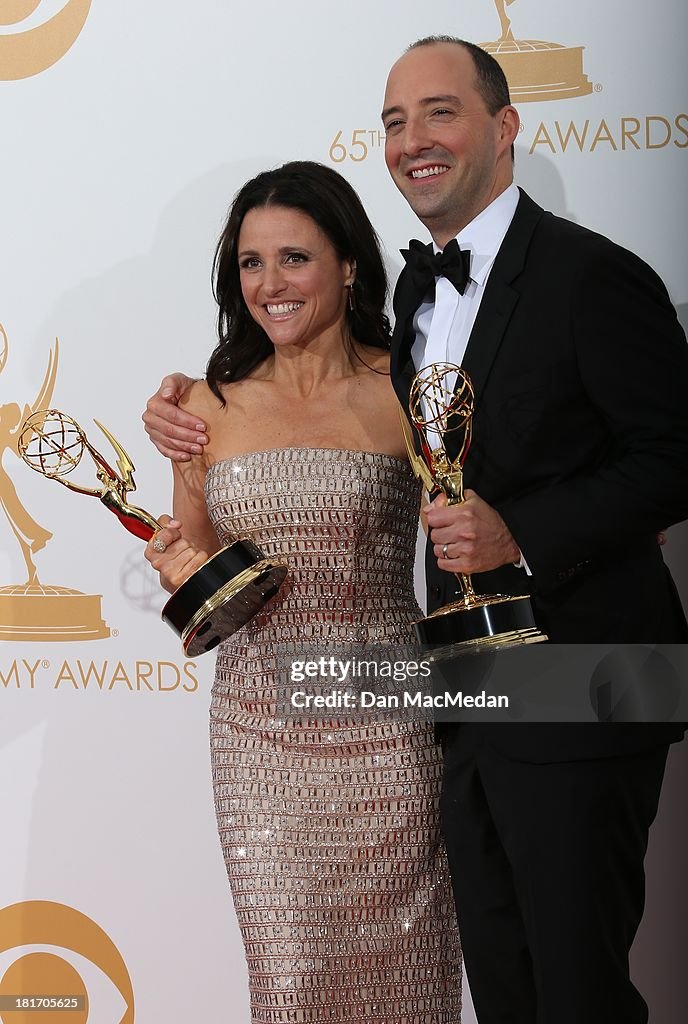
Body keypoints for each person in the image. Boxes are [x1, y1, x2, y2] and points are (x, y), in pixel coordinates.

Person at [143, 39, 688, 1024]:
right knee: (498, 987)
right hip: (444, 708)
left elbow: (666, 458)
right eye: (394, 121)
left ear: (504, 127)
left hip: (561, 687)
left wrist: (521, 531)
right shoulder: (417, 322)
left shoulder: (585, 278)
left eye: (439, 113)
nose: (411, 141)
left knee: (571, 990)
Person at [143, 161, 462, 1023]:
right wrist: (181, 565)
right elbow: (204, 560)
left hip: (392, 729)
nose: (269, 285)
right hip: (261, 738)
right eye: (250, 264)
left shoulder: (409, 389)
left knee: (412, 987)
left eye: (294, 258)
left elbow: (475, 532)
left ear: (350, 264)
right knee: (291, 986)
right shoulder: (205, 404)